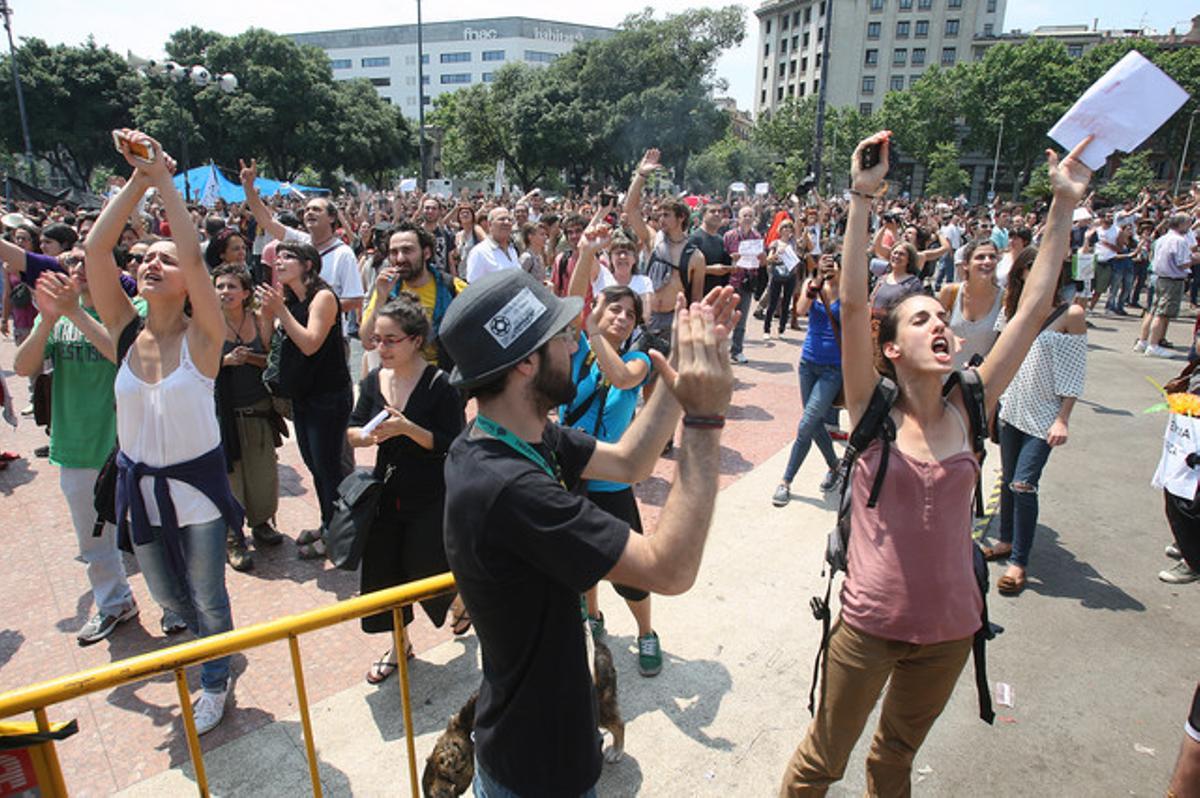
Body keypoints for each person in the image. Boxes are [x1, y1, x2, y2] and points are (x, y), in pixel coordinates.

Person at [778, 130, 1093, 795]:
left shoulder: (973, 402)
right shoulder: (870, 409)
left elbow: (1034, 304)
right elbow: (858, 302)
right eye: (919, 320)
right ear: (889, 348)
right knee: (821, 764)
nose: (938, 324)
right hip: (867, 628)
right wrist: (862, 198)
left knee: (894, 761)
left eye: (940, 316)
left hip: (951, 631)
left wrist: (1061, 207)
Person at [439, 269, 736, 797]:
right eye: (563, 335)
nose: (578, 340)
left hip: (528, 739)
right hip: (540, 768)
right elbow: (670, 568)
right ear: (527, 362)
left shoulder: (513, 436)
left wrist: (678, 380)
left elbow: (630, 461)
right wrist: (706, 420)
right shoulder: (508, 487)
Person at [85, 130, 242, 735]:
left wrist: (167, 182)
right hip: (140, 489)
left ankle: (213, 680)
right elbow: (98, 254)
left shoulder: (203, 342)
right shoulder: (126, 330)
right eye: (144, 256)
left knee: (206, 597)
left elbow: (198, 259)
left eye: (164, 257)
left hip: (197, 492)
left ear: (185, 279)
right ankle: (209, 649)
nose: (151, 262)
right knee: (168, 600)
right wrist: (138, 181)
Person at [12, 255, 142, 645]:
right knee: (93, 538)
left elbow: (122, 353)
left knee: (154, 531)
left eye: (90, 261)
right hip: (76, 443)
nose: (80, 269)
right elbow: (23, 366)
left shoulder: (132, 309)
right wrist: (50, 319)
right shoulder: (56, 315)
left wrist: (75, 312)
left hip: (128, 441)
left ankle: (175, 605)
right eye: (72, 264)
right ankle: (114, 602)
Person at [348, 293, 465, 684]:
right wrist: (362, 439)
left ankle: (461, 603)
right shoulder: (372, 380)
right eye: (377, 340)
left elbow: (454, 443)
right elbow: (352, 428)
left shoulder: (440, 384)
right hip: (386, 495)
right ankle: (400, 646)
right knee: (385, 575)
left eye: (390, 340)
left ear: (415, 340)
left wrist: (407, 429)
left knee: (430, 567)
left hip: (431, 495)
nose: (382, 348)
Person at [565, 227, 660, 675]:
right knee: (580, 560)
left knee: (629, 570)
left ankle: (646, 633)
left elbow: (620, 378)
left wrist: (593, 329)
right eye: (612, 308)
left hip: (610, 481)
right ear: (596, 308)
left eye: (629, 314)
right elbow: (570, 300)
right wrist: (586, 251)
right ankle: (592, 616)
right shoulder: (577, 351)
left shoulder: (639, 359)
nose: (621, 317)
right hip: (568, 475)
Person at [978, 247, 1087, 595]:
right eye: (1036, 267)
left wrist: (1063, 418)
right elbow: (997, 359)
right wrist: (990, 404)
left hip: (1043, 414)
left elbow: (1074, 373)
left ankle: (1019, 562)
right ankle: (1007, 541)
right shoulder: (1011, 311)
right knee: (1009, 479)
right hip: (1011, 407)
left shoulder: (1071, 314)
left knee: (1024, 485)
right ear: (1022, 272)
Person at [255, 240, 353, 558]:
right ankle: (328, 524)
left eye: (287, 257)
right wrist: (267, 314)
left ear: (308, 265)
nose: (279, 262)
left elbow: (310, 343)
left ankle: (338, 533)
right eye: (277, 258)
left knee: (328, 468)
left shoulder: (322, 297)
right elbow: (270, 342)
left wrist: (280, 310)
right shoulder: (290, 299)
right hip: (304, 396)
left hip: (328, 396)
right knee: (315, 465)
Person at [212, 264, 282, 572]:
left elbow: (271, 359)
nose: (224, 292)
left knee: (263, 476)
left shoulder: (259, 319)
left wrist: (248, 358)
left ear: (245, 292)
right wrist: (224, 362)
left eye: (230, 286)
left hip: (258, 412)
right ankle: (232, 538)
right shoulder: (208, 325)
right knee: (231, 482)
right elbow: (195, 365)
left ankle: (261, 524)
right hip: (223, 417)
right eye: (220, 286)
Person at [772, 252, 843, 508]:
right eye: (824, 262)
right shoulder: (812, 285)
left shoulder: (849, 291)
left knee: (806, 424)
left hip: (833, 369)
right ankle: (835, 466)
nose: (827, 266)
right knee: (813, 424)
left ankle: (786, 481)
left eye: (833, 262)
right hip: (807, 364)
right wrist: (817, 282)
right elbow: (800, 310)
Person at [624, 148, 706, 355]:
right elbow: (630, 210)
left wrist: (694, 330)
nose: (661, 219)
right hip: (646, 319)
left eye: (667, 215)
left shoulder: (695, 256)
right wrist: (641, 175)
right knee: (637, 372)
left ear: (681, 219)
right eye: (659, 215)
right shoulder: (653, 240)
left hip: (674, 322)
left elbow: (696, 298)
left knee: (668, 379)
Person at [1136, 215, 1196, 358]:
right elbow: (1182, 263)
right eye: (1188, 224)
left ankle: (1143, 341)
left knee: (1153, 310)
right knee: (1162, 314)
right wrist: (1195, 259)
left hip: (1159, 277)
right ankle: (1154, 345)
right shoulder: (1179, 241)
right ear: (1180, 225)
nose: (1189, 227)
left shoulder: (1162, 239)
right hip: (1171, 280)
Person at [938, 238, 1003, 369]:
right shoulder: (950, 293)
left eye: (992, 257)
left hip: (984, 379)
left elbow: (1005, 344)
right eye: (980, 257)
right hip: (946, 377)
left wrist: (985, 363)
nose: (987, 261)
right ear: (966, 265)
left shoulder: (1005, 299)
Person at [724, 204, 767, 363]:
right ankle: (719, 350)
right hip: (730, 281)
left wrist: (763, 259)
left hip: (747, 282)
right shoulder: (729, 236)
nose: (747, 218)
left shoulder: (757, 238)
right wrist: (732, 258)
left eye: (750, 215)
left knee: (740, 318)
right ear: (739, 219)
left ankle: (737, 350)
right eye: (745, 215)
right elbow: (723, 257)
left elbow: (762, 264)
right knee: (724, 316)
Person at [762, 218, 805, 339]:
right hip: (777, 275)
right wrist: (777, 254)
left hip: (790, 276)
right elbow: (768, 259)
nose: (787, 230)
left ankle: (782, 329)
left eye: (789, 227)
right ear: (780, 230)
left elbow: (798, 227)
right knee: (773, 303)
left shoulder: (793, 243)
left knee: (786, 303)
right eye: (784, 227)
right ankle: (767, 329)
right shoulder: (775, 243)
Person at [464, 207, 519, 282]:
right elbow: (474, 286)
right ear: (490, 224)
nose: (507, 222)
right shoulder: (479, 252)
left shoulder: (512, 250)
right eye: (501, 219)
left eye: (509, 220)